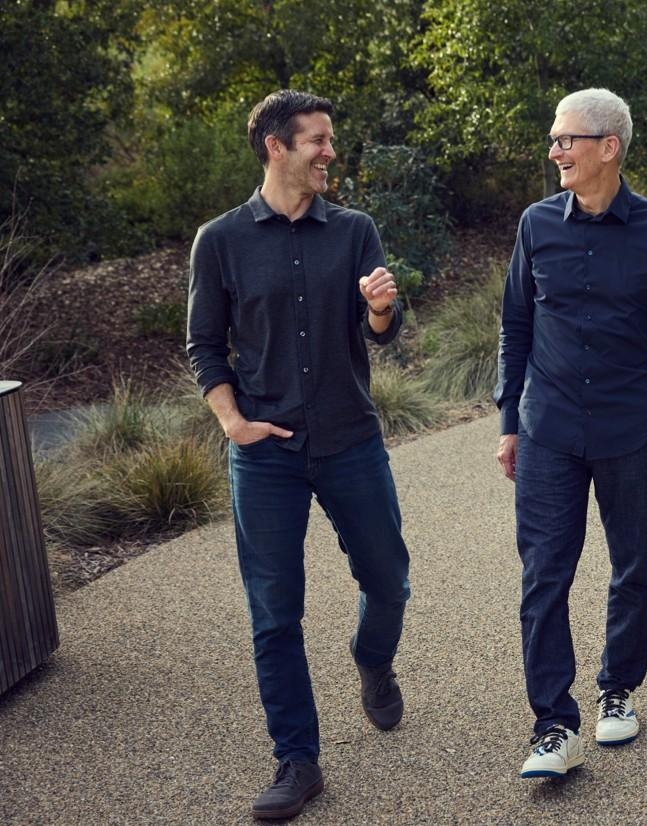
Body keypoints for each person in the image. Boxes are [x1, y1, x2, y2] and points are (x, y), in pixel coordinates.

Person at [187, 89, 411, 821]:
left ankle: (372, 660)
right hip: (266, 455)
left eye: (329, 139)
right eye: (317, 139)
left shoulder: (354, 231)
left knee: (389, 581)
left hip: (350, 440)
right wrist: (233, 422)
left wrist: (380, 306)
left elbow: (381, 331)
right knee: (274, 614)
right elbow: (204, 345)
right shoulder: (219, 241)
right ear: (275, 147)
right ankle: (298, 760)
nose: (329, 152)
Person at [494, 88, 647, 778]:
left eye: (567, 140)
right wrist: (508, 423)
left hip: (628, 427)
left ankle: (617, 688)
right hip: (548, 428)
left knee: (633, 565)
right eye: (554, 139)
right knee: (543, 575)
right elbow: (515, 326)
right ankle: (552, 727)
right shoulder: (535, 224)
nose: (555, 151)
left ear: (608, 147)